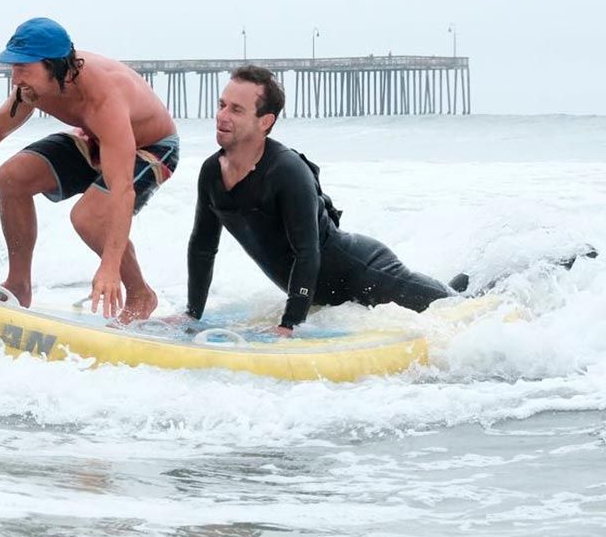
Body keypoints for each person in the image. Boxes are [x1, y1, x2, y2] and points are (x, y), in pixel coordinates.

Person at [185, 65, 462, 336]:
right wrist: (192, 313)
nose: (222, 115)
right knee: (451, 301)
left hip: (369, 275)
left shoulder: (287, 171)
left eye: (236, 109)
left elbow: (307, 252)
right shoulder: (211, 172)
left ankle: (478, 288)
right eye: (222, 105)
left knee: (456, 307)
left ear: (264, 121)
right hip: (324, 295)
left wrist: (290, 324)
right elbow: (203, 247)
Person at [0, 17, 178, 321]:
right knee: (12, 177)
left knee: (87, 218)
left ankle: (141, 293)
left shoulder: (103, 97)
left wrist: (109, 265)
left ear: (54, 65)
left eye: (23, 68)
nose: (15, 79)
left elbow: (122, 189)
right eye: (13, 67)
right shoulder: (36, 87)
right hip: (93, 137)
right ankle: (18, 286)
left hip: (152, 146)